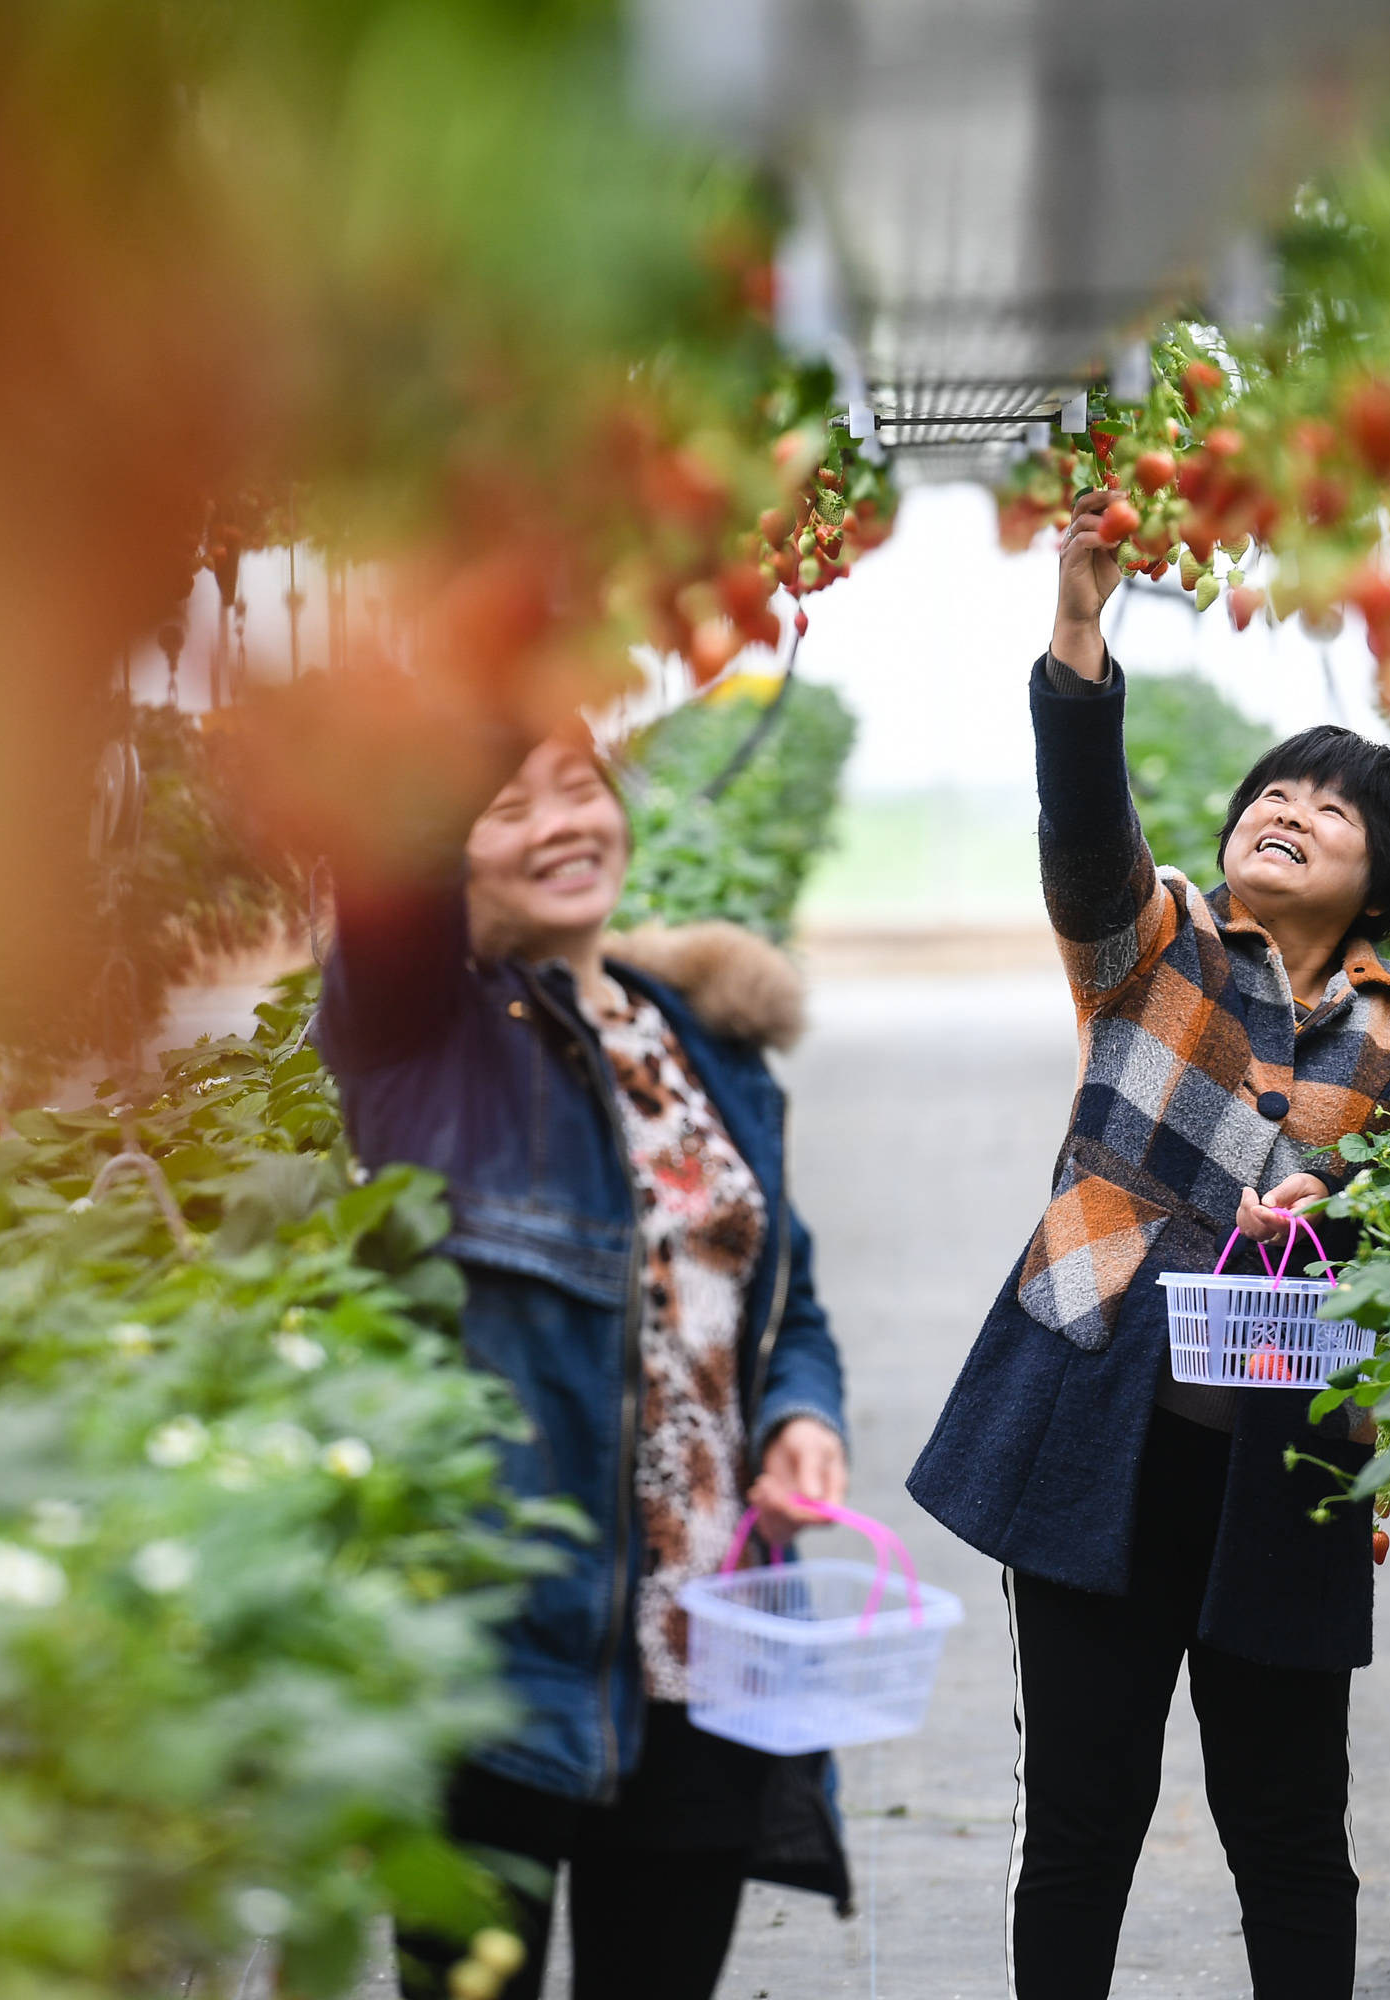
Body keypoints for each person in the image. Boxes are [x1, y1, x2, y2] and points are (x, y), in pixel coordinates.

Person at [906, 489, 1390, 1999]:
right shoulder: (1154, 944)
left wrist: (1335, 1211)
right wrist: (1080, 631)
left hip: (1285, 1453)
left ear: (1377, 884)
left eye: (1332, 810)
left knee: (1288, 1827)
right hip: (1100, 1415)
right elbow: (1086, 831)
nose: (1288, 810)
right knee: (1086, 1817)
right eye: (1274, 793)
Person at [315, 721, 854, 2000]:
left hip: (707, 1633)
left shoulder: (705, 1042)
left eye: (581, 789)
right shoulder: (427, 1045)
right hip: (506, 1642)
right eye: (507, 807)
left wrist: (797, 1411)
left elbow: (787, 1300)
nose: (562, 824)